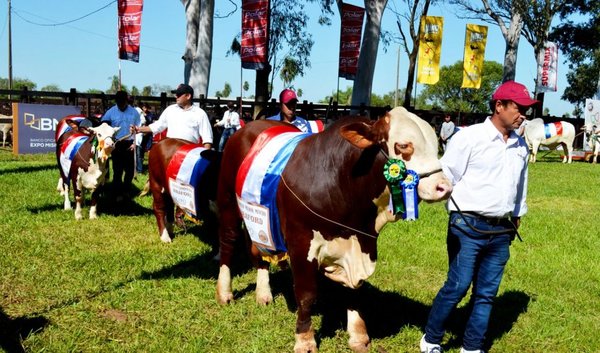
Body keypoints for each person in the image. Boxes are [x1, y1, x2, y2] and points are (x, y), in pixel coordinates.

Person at [420, 80, 536, 353]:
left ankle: (472, 347)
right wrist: (440, 186)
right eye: (519, 108)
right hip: (467, 225)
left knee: (486, 294)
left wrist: (517, 213)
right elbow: (446, 173)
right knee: (458, 286)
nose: (523, 115)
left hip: (501, 231)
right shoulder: (469, 137)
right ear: (499, 106)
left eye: (526, 110)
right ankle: (432, 339)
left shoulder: (520, 146)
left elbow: (521, 184)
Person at [134, 84, 213, 149]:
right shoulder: (170, 110)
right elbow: (157, 126)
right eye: (176, 94)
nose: (176, 97)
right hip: (169, 152)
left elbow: (207, 138)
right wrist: (138, 129)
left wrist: (205, 158)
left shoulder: (200, 113)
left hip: (188, 155)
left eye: (179, 95)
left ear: (188, 96)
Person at [101, 90, 141, 201]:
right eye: (118, 102)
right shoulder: (110, 112)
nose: (120, 104)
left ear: (126, 101)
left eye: (122, 101)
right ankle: (117, 193)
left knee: (129, 171)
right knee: (117, 170)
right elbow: (104, 125)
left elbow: (139, 128)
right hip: (117, 144)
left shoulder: (134, 112)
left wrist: (135, 143)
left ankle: (127, 191)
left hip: (130, 143)